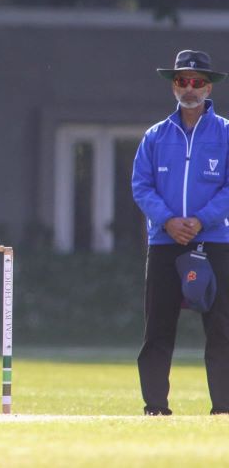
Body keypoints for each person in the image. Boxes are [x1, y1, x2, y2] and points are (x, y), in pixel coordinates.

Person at [132, 49, 229, 416]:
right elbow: (142, 186)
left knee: (221, 328)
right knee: (158, 327)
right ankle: (155, 406)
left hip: (215, 241)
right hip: (164, 241)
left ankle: (224, 408)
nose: (190, 88)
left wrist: (201, 220)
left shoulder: (225, 133)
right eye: (182, 81)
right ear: (174, 86)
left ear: (208, 87)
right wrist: (168, 221)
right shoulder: (155, 136)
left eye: (197, 82)